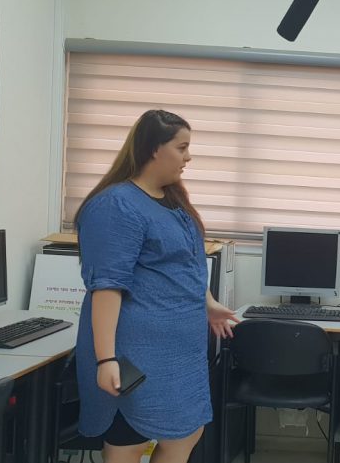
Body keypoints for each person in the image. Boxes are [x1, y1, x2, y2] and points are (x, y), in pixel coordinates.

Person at [73, 110, 239, 463]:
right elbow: (107, 287)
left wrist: (208, 304)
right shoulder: (115, 205)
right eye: (182, 147)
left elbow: (188, 262)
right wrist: (106, 359)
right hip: (134, 352)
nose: (188, 157)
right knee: (129, 440)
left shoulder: (172, 201)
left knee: (187, 432)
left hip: (181, 354)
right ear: (154, 149)